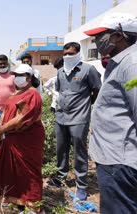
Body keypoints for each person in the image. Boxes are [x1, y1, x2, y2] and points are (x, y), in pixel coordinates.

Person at [84, 13, 137, 214]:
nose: (96, 42)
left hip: (120, 159)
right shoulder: (120, 62)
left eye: (101, 36)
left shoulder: (132, 64)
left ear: (118, 35)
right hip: (113, 157)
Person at [0, 64, 45, 214]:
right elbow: (5, 112)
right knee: (14, 170)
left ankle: (34, 207)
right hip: (12, 137)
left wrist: (1, 129)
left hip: (28, 139)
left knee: (30, 172)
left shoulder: (32, 94)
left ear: (29, 77)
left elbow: (21, 119)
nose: (17, 77)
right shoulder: (16, 93)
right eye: (15, 74)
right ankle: (19, 199)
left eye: (20, 75)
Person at [47, 42, 102, 201]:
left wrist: (86, 104)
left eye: (70, 54)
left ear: (78, 53)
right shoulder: (61, 71)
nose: (67, 57)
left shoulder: (88, 70)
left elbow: (97, 89)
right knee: (61, 149)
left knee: (79, 151)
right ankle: (61, 176)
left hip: (79, 117)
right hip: (61, 116)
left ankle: (81, 186)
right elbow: (60, 91)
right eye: (65, 54)